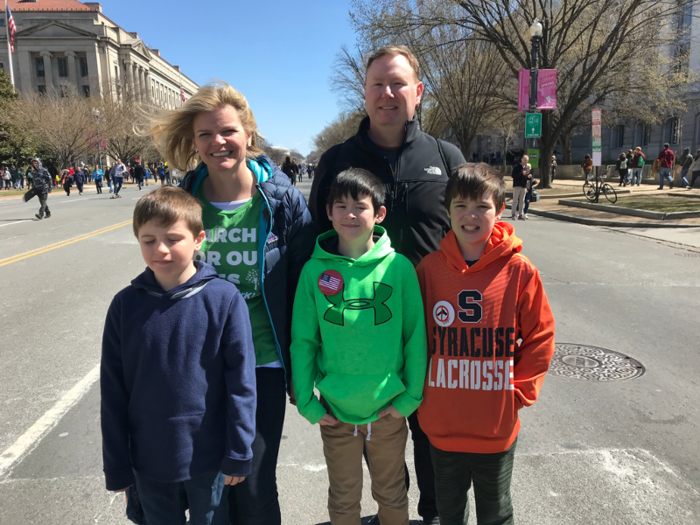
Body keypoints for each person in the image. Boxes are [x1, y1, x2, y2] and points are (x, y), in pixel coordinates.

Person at [310, 45, 466, 525]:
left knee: (433, 434)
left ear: (418, 92)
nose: (388, 93)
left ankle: (433, 513)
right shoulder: (338, 161)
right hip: (363, 336)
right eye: (378, 84)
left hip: (435, 328)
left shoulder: (445, 156)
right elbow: (312, 249)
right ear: (365, 93)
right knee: (380, 435)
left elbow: (476, 229)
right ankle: (388, 508)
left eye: (399, 83)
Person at [147, 81, 316, 525]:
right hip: (197, 368)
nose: (217, 142)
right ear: (194, 141)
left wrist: (303, 367)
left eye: (227, 131)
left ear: (248, 134)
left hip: (261, 363)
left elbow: (303, 289)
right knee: (210, 488)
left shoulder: (281, 203)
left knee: (256, 483)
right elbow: (162, 278)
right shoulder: (183, 202)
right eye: (205, 134)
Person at [101, 186, 257, 525]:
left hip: (209, 456)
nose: (160, 249)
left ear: (199, 239)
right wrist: (117, 463)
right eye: (148, 240)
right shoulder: (125, 306)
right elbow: (113, 391)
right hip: (148, 458)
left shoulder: (224, 299)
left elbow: (241, 383)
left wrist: (239, 450)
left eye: (173, 238)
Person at [416, 162, 555, 525]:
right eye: (460, 205)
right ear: (447, 212)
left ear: (500, 209)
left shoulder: (519, 270)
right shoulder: (429, 270)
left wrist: (520, 392)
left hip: (495, 426)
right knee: (449, 512)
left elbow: (540, 336)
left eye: (482, 206)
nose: (471, 215)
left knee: (496, 512)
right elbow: (411, 338)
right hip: (441, 423)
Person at [291, 168, 427, 525]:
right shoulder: (312, 272)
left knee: (391, 492)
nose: (351, 214)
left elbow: (415, 337)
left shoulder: (399, 269)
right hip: (336, 413)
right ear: (329, 212)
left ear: (379, 214)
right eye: (341, 206)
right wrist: (307, 403)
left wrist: (410, 398)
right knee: (343, 497)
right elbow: (304, 340)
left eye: (360, 206)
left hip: (388, 410)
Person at [511, 155, 530, 220]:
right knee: (515, 200)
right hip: (517, 185)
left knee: (522, 201)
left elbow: (526, 177)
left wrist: (528, 177)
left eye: (527, 160)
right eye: (525, 160)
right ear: (522, 159)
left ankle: (520, 214)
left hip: (524, 186)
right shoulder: (517, 167)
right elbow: (513, 175)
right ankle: (513, 214)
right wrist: (522, 173)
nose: (526, 161)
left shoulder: (527, 167)